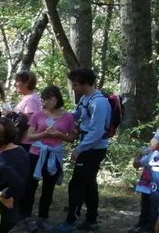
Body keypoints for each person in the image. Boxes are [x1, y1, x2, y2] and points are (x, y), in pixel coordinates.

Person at [65, 67, 111, 230]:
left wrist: (79, 149)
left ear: (86, 84)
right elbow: (76, 115)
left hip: (93, 149)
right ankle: (91, 219)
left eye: (76, 84)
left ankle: (71, 219)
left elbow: (97, 132)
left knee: (77, 184)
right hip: (88, 146)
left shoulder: (99, 102)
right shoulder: (85, 99)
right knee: (89, 183)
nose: (73, 88)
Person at [22, 85, 76, 220]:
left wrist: (58, 134)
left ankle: (43, 216)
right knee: (30, 184)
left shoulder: (68, 117)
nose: (45, 102)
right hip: (36, 152)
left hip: (54, 155)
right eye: (44, 99)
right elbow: (29, 136)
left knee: (48, 187)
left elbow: (71, 138)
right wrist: (44, 134)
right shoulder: (37, 115)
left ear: (56, 99)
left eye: (48, 99)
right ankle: (25, 213)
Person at [0, 118, 28, 232]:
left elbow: (18, 183)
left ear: (0, 138)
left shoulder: (1, 162)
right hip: (12, 209)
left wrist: (4, 194)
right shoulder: (20, 150)